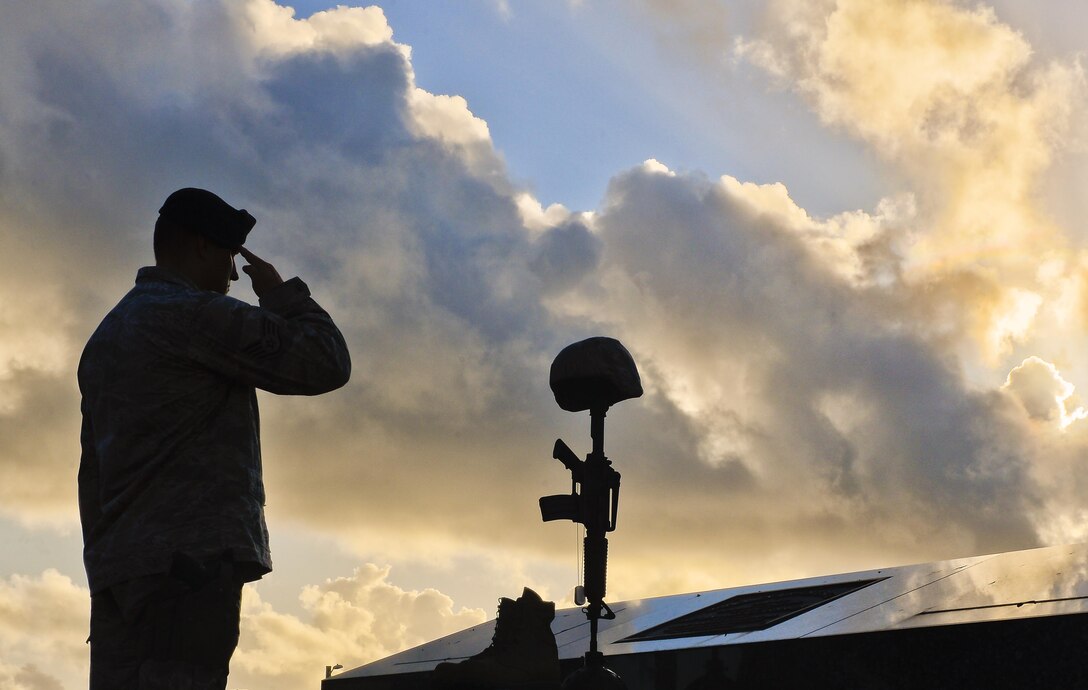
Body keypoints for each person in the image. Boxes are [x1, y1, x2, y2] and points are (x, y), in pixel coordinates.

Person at [78, 187, 352, 689]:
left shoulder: (108, 335)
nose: (232, 275)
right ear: (202, 247)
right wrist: (279, 294)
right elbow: (326, 361)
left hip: (122, 575)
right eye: (229, 256)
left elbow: (91, 474)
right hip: (188, 569)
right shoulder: (195, 316)